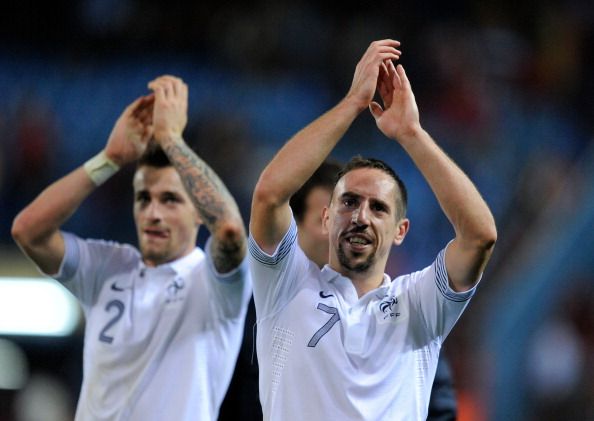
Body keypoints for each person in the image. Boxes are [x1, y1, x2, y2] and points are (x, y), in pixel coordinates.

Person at [249, 39, 497, 420]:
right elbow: (269, 194)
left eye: (378, 208)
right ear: (328, 217)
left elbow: (479, 236)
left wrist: (411, 133)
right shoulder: (285, 287)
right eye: (349, 202)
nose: (361, 216)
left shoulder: (419, 305)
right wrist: (352, 103)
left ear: (401, 231)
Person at [11, 75, 251, 421]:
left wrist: (171, 140)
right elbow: (28, 230)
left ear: (198, 211)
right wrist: (108, 159)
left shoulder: (214, 283)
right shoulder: (108, 266)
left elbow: (229, 230)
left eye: (169, 200)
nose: (153, 213)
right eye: (143, 199)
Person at [290, 160, 458, 420]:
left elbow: (439, 408)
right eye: (344, 209)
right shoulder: (263, 309)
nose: (357, 221)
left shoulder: (409, 312)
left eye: (376, 208)